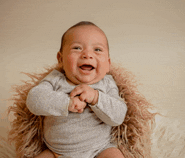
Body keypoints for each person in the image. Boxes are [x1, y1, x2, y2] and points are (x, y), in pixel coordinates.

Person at [26, 21, 127, 158]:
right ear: (60, 59)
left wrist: (96, 98)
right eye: (77, 48)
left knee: (115, 155)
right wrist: (66, 102)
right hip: (57, 152)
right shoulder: (56, 79)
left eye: (97, 49)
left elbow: (119, 115)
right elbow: (34, 99)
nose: (87, 54)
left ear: (108, 64)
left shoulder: (106, 83)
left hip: (100, 150)